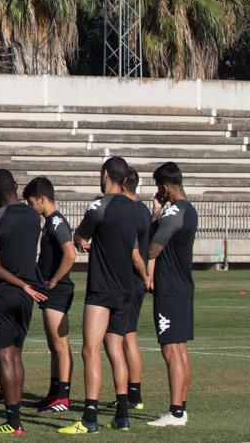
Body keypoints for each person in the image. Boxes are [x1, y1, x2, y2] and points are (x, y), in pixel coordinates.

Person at [57, 157, 149, 435]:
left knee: (90, 350)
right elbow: (132, 251)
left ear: (105, 174)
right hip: (126, 289)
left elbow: (80, 237)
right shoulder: (135, 210)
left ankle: (89, 417)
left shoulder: (99, 206)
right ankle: (121, 415)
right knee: (115, 349)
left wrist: (81, 240)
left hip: (102, 288)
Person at [0, 169, 47, 435]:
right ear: (16, 187)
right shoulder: (33, 216)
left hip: (2, 292)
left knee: (5, 355)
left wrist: (20, 283)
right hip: (26, 295)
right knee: (16, 354)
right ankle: (16, 415)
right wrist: (27, 285)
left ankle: (13, 421)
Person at [145, 162, 197, 428]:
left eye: (158, 187)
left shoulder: (175, 211)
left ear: (164, 187)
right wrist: (156, 213)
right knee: (180, 350)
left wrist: (147, 271)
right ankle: (181, 408)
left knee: (171, 352)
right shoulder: (189, 210)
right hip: (183, 287)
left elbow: (154, 246)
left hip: (170, 289)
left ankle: (175, 412)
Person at [24, 176, 76, 414]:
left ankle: (63, 396)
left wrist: (55, 279)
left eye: (31, 202)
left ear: (41, 198)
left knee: (60, 345)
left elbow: (70, 253)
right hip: (50, 292)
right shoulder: (50, 222)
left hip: (57, 291)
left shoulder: (56, 222)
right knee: (53, 346)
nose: (30, 207)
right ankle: (54, 392)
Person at [120, 167, 148, 412]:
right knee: (126, 336)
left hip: (129, 280)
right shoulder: (143, 209)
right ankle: (131, 392)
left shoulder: (128, 210)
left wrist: (145, 276)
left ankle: (134, 393)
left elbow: (135, 253)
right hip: (134, 281)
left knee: (127, 337)